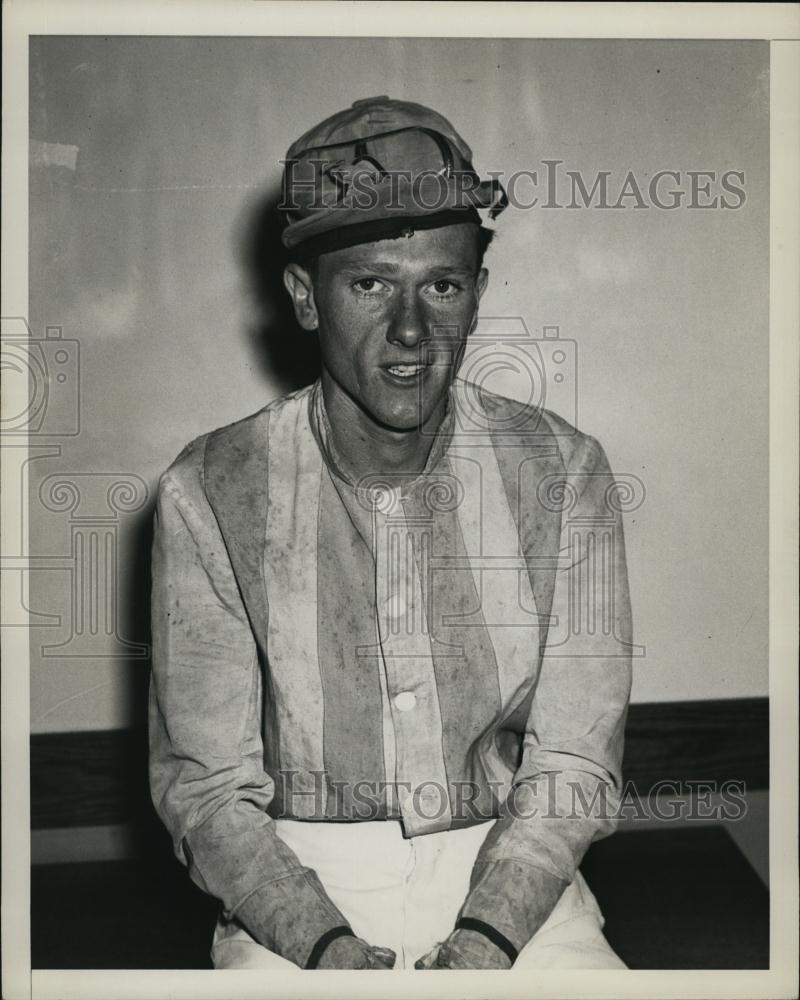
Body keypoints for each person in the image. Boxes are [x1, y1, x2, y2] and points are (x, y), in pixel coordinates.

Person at [148, 96, 633, 971]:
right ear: (305, 297)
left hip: (520, 885)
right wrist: (324, 945)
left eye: (441, 285)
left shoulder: (564, 473)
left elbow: (573, 758)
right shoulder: (209, 490)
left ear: (477, 294)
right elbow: (208, 788)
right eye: (370, 284)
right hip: (291, 892)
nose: (411, 332)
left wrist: (487, 939)